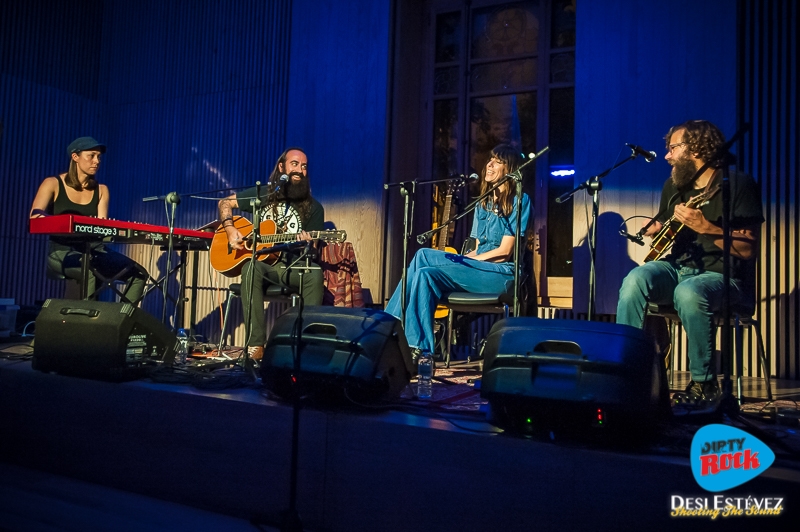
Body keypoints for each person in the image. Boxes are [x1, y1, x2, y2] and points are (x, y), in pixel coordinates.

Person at [616, 120, 764, 403]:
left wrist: (707, 227)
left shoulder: (737, 185)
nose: (668, 156)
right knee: (637, 277)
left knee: (689, 291)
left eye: (673, 148)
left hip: (723, 277)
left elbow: (748, 250)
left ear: (695, 148)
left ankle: (704, 384)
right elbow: (667, 224)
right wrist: (657, 228)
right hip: (677, 268)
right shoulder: (674, 187)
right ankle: (630, 370)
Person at [385, 144, 532, 358]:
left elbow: (504, 252)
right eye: (489, 159)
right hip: (477, 270)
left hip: (501, 274)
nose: (489, 164)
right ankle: (420, 349)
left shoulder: (520, 201)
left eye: (497, 161)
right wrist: (461, 260)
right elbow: (477, 247)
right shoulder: (484, 203)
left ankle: (386, 328)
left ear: (510, 169)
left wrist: (466, 262)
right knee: (424, 273)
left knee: (423, 255)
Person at [218, 147, 325, 360]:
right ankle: (255, 346)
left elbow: (313, 252)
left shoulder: (314, 208)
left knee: (314, 273)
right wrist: (230, 229)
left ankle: (306, 348)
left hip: (292, 267)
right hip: (266, 266)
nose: (299, 170)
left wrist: (307, 245)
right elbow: (224, 203)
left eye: (304, 167)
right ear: (281, 167)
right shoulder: (265, 195)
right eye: (294, 164)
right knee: (250, 267)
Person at [30, 137, 149, 304]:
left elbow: (102, 227)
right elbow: (35, 217)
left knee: (139, 274)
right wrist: (68, 223)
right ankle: (86, 322)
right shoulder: (53, 183)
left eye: (99, 157)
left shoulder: (101, 190)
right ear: (75, 157)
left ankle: (119, 322)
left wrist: (121, 230)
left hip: (94, 250)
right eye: (91, 156)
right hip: (61, 251)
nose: (96, 161)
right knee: (89, 272)